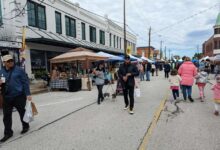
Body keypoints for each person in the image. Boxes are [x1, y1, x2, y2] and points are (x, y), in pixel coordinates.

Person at [0, 55, 32, 143]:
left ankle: (25, 126)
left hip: (19, 95)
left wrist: (28, 94)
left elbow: (25, 82)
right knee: (6, 116)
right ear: (4, 62)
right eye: (8, 61)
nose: (11, 62)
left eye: (12, 60)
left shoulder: (19, 70)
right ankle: (8, 133)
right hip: (7, 97)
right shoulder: (1, 71)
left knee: (22, 112)